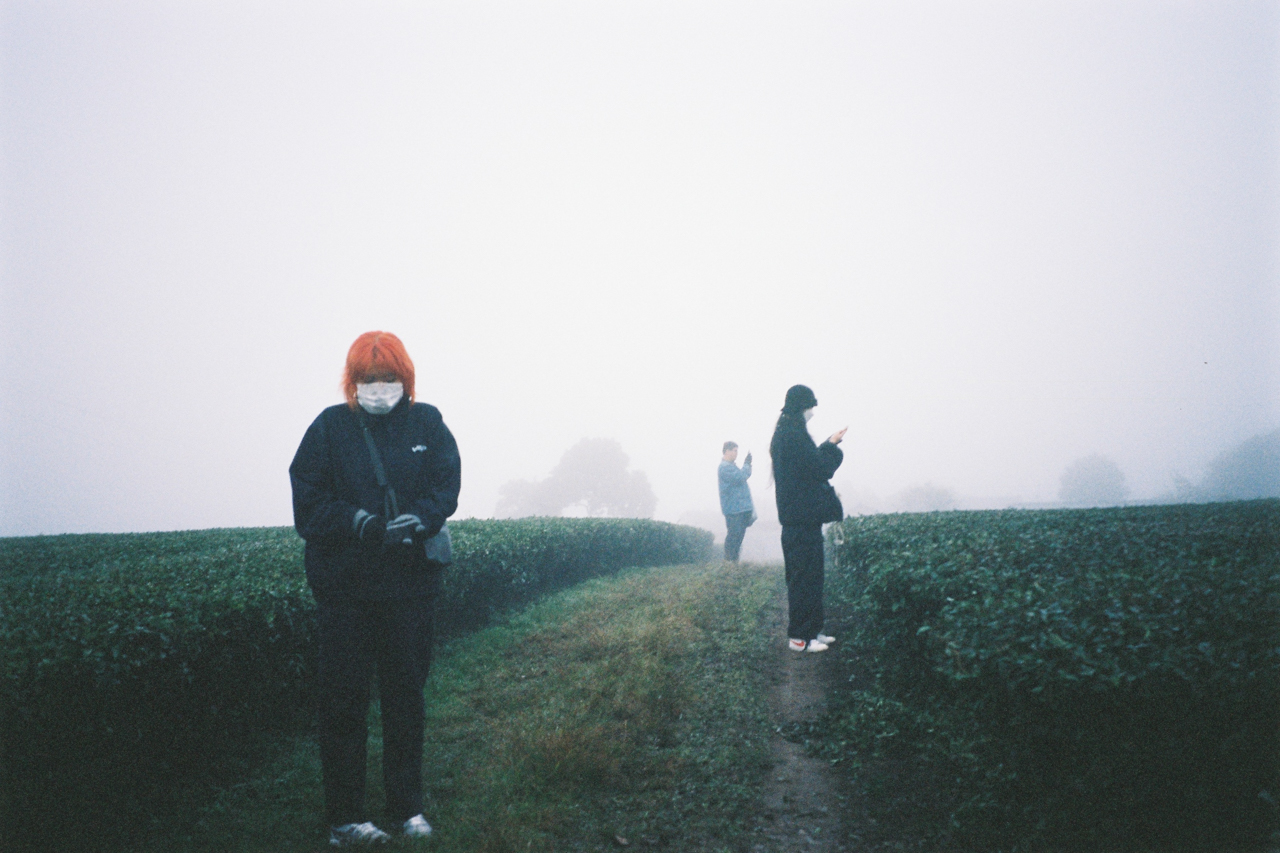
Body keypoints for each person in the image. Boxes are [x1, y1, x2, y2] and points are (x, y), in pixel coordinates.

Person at [289, 331, 461, 847]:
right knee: (344, 702)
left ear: (405, 380)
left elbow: (445, 486)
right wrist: (357, 522)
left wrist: (425, 517)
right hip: (346, 592)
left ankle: (407, 809)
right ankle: (346, 818)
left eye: (389, 379)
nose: (380, 388)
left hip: (410, 589)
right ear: (353, 381)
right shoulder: (328, 428)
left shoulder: (427, 422)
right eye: (369, 380)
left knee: (405, 699)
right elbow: (308, 503)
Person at [769, 384, 845, 653]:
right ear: (801, 407)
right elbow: (820, 468)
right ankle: (799, 638)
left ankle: (813, 630)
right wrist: (832, 446)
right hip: (798, 520)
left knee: (813, 577)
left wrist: (825, 445)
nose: (812, 412)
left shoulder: (789, 432)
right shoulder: (791, 435)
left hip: (803, 519)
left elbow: (811, 463)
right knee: (803, 580)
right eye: (810, 407)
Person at [718, 441, 755, 562]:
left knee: (738, 537)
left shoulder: (731, 466)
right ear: (727, 451)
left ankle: (733, 563)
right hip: (733, 509)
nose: (736, 453)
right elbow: (740, 477)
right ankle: (729, 563)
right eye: (734, 450)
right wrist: (747, 464)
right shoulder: (725, 467)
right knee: (734, 536)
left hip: (740, 508)